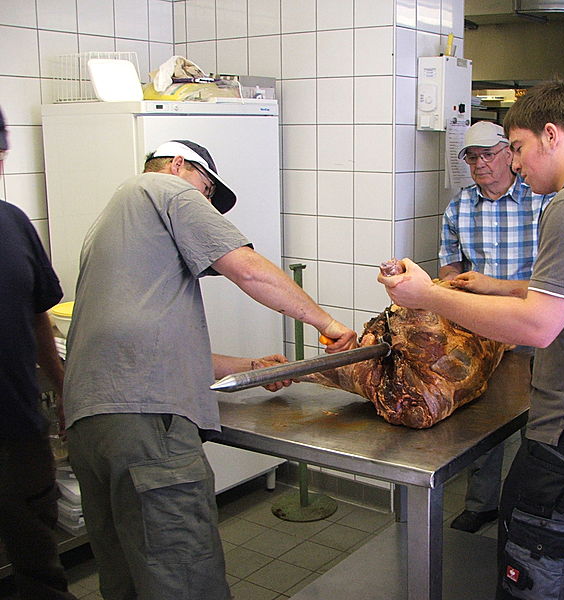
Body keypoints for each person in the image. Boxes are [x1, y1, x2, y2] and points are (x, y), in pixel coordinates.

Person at [379, 79, 564, 600]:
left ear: (551, 135)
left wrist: (427, 295)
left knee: (535, 584)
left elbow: (538, 325)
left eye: (517, 146)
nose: (515, 162)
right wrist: (499, 286)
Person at [63, 139, 357, 600]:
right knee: (183, 577)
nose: (205, 203)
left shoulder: (111, 224)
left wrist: (252, 367)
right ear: (180, 165)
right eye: (207, 191)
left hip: (92, 427)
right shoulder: (166, 188)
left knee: (127, 578)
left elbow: (149, 350)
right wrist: (328, 324)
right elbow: (248, 270)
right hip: (147, 428)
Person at [440, 120, 553, 533]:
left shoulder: (542, 201)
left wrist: (498, 289)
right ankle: (482, 503)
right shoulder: (460, 207)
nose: (480, 164)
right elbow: (450, 265)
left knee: (538, 417)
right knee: (484, 417)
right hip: (483, 331)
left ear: (509, 153)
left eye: (488, 154)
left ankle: (530, 508)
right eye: (472, 157)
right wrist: (453, 290)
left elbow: (555, 276)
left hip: (533, 325)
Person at [0, 107, 78, 599]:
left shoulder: (12, 223)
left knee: (37, 557)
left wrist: (64, 386)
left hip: (18, 429)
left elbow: (37, 316)